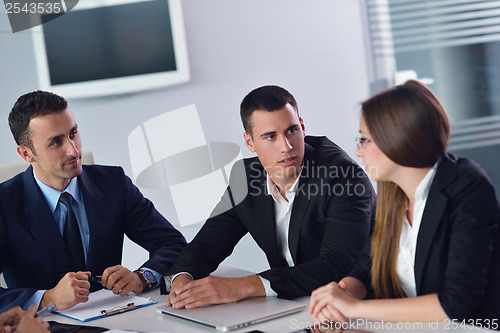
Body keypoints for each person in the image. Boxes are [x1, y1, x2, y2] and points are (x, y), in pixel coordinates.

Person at [166, 85, 376, 309]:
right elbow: (206, 246)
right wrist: (183, 281)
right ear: (250, 142)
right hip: (291, 307)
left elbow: (337, 265)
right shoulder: (246, 178)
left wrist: (241, 287)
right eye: (270, 136)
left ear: (303, 127)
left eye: (292, 131)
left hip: (359, 308)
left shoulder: (342, 176)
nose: (285, 147)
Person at [309, 80, 500, 324]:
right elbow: (367, 268)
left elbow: (454, 305)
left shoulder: (467, 186)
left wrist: (354, 308)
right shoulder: (393, 192)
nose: (358, 151)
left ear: (396, 138)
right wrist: (341, 293)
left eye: (364, 140)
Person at [0, 90, 187, 313]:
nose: (74, 149)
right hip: (41, 325)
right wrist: (46, 297)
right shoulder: (5, 203)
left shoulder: (113, 183)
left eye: (73, 133)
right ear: (26, 154)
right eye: (56, 142)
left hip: (115, 319)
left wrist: (142, 277)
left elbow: (172, 243)